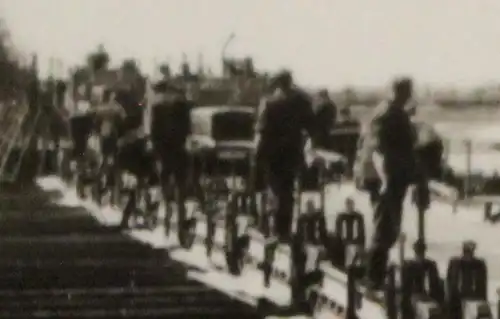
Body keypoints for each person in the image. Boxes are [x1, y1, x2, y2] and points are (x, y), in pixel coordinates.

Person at [358, 77, 419, 290]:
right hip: (385, 178)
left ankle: (376, 275)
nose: (408, 97)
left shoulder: (395, 113)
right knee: (384, 227)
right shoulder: (387, 115)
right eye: (406, 93)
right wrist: (384, 179)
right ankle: (373, 278)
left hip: (393, 177)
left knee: (389, 228)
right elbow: (378, 150)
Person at [254, 70, 316, 242]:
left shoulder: (270, 103)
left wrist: (257, 160)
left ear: (277, 85)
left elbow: (262, 133)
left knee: (274, 191)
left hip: (273, 155)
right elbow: (312, 127)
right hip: (293, 153)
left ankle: (273, 229)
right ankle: (284, 231)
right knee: (287, 193)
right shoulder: (302, 102)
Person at [147, 80, 192, 235]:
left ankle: (167, 218)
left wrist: (154, 147)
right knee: (180, 186)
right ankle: (180, 221)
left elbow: (153, 130)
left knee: (165, 182)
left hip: (163, 149)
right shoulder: (182, 104)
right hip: (179, 147)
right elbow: (188, 127)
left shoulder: (156, 105)